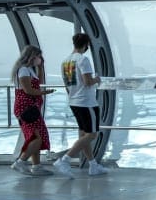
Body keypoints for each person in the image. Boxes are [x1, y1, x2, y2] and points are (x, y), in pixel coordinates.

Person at [54, 33, 107, 177]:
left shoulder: (65, 62)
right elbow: (88, 81)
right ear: (86, 44)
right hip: (87, 102)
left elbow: (67, 84)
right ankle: (65, 159)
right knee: (92, 134)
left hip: (74, 101)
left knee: (84, 134)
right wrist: (98, 79)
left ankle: (93, 165)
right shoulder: (83, 60)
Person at [10, 45, 56, 176]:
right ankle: (20, 161)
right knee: (38, 137)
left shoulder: (29, 69)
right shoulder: (23, 70)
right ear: (32, 56)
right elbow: (28, 90)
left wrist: (41, 68)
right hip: (26, 107)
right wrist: (44, 92)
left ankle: (36, 166)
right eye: (38, 56)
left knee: (36, 136)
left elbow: (38, 81)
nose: (40, 59)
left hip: (32, 107)